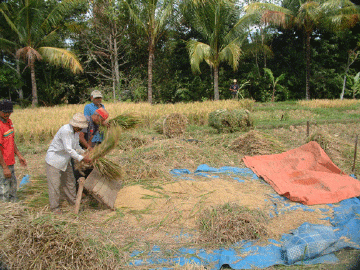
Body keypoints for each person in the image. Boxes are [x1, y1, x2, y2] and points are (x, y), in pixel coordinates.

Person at [45, 113, 92, 213]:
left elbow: (76, 147)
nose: (80, 129)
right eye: (79, 127)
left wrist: (85, 153)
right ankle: (55, 208)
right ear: (74, 125)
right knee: (55, 185)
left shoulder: (75, 132)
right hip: (54, 161)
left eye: (81, 128)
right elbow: (69, 149)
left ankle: (73, 201)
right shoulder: (66, 130)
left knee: (70, 182)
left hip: (65, 161)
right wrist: (82, 159)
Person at [0, 100, 27, 202]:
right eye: (4, 112)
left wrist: (19, 155)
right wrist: (4, 167)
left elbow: (11, 140)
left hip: (10, 161)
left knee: (12, 185)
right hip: (3, 163)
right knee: (4, 188)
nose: (7, 114)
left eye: (9, 112)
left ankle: (14, 206)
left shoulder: (8, 122)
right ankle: (5, 212)